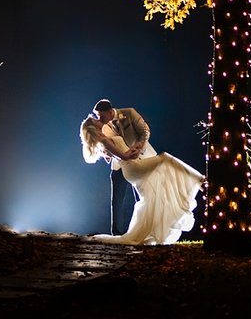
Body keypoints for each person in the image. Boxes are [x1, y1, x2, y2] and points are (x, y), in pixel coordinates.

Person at [79, 98, 205, 245]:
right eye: (97, 118)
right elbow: (113, 153)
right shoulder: (103, 132)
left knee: (149, 197)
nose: (99, 118)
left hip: (137, 160)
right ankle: (199, 180)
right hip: (126, 165)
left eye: (101, 116)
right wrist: (119, 155)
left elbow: (144, 131)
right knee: (118, 199)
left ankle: (152, 229)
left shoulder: (128, 113)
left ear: (109, 111)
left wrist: (137, 147)